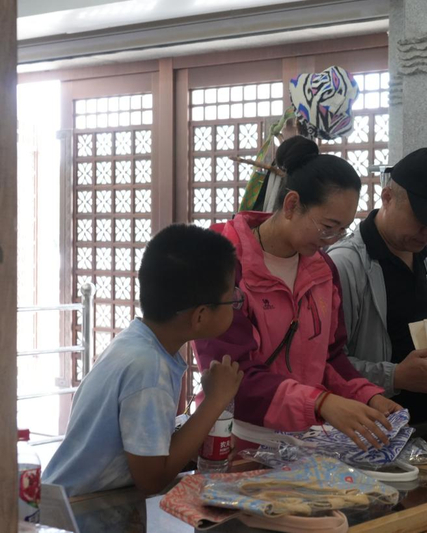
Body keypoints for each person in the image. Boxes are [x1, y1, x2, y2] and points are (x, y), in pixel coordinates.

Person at [193, 136, 401, 451]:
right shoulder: (224, 261)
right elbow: (232, 375)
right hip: (235, 438)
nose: (333, 240)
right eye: (327, 226)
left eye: (342, 230)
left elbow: (330, 357)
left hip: (304, 439)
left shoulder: (323, 270)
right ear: (291, 205)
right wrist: (321, 403)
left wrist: (367, 396)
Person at [43, 224, 244, 496]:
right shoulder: (149, 368)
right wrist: (215, 401)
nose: (236, 303)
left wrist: (197, 437)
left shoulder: (138, 342)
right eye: (231, 298)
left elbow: (146, 448)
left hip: (77, 503)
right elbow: (152, 479)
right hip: (78, 513)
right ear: (200, 316)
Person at [328, 148, 427, 424]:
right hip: (370, 431)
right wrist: (395, 377)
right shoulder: (345, 264)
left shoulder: (425, 256)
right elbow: (325, 364)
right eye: (422, 220)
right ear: (387, 197)